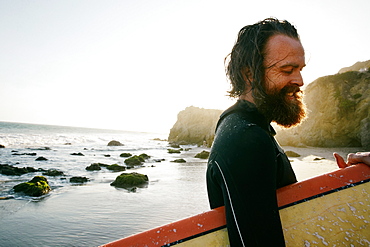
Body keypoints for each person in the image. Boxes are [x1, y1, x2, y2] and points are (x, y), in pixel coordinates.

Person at [206, 18, 306, 246]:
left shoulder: (243, 127)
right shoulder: (247, 139)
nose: (299, 80)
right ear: (249, 74)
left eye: (299, 69)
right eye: (287, 70)